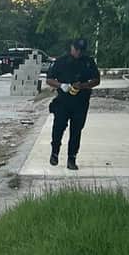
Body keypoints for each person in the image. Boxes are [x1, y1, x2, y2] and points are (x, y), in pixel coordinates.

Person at [46, 38, 101, 171]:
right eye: (76, 49)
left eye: (81, 50)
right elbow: (49, 79)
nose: (78, 52)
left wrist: (83, 85)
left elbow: (96, 80)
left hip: (81, 102)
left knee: (76, 131)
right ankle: (54, 152)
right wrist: (61, 85)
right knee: (58, 128)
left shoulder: (88, 62)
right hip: (63, 101)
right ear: (72, 48)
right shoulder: (61, 61)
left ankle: (72, 158)